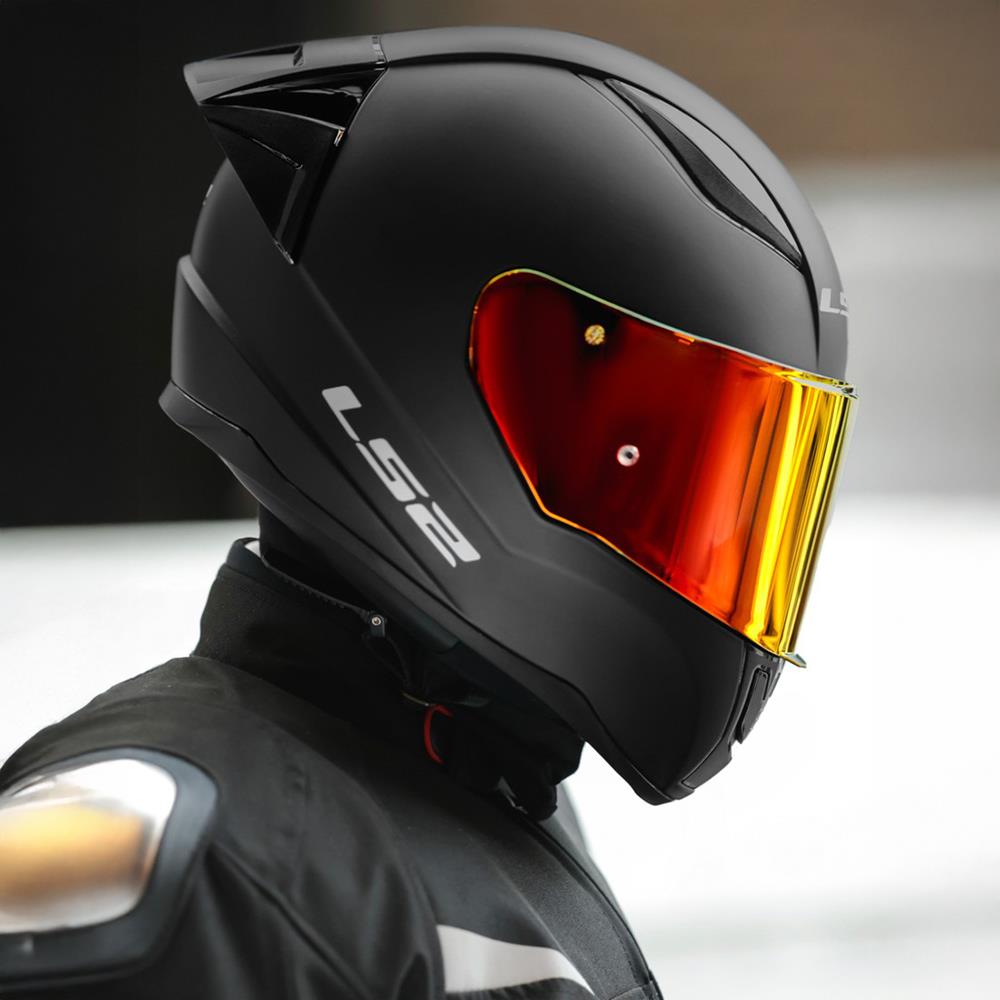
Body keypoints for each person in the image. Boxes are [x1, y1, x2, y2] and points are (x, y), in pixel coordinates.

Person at [0, 27, 855, 999]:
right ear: (419, 385)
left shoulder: (483, 794)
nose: (704, 529)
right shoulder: (178, 860)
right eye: (634, 454)